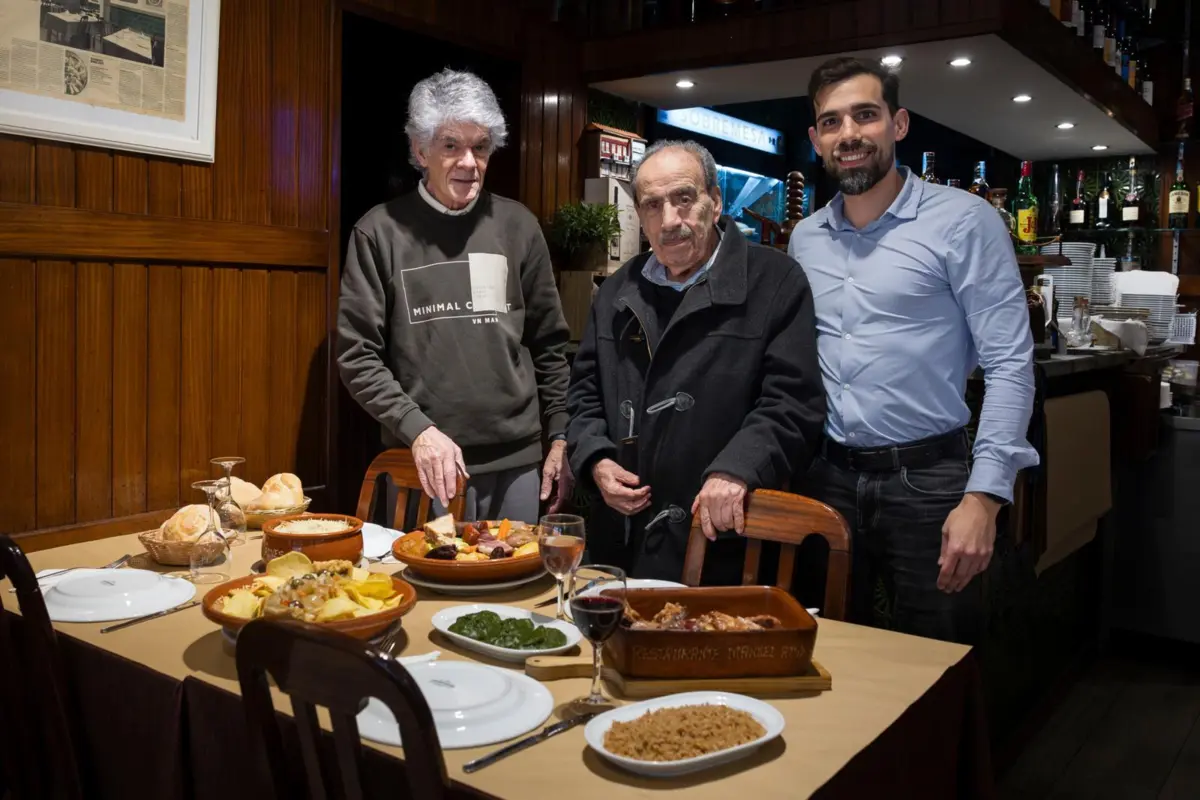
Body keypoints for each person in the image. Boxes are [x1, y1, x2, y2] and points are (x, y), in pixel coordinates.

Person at [788, 56, 1038, 644]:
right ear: (815, 139)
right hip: (827, 482)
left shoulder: (964, 222)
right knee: (829, 657)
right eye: (831, 122)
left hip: (931, 485)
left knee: (937, 666)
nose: (848, 134)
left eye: (865, 115)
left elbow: (1009, 364)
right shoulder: (804, 239)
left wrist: (985, 496)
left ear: (898, 125)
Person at [567, 140, 825, 584]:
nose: (670, 221)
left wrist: (738, 466)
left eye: (684, 199)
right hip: (622, 544)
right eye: (652, 205)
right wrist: (596, 460)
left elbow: (793, 402)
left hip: (727, 540)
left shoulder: (777, 281)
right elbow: (585, 392)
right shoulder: (616, 290)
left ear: (716, 201)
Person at [337, 68, 572, 523]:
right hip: (426, 462)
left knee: (516, 591)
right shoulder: (378, 232)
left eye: (480, 147)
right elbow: (357, 355)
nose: (469, 161)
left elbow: (550, 344)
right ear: (419, 150)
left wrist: (560, 435)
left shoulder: (518, 225)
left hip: (519, 464)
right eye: (451, 145)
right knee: (428, 592)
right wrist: (418, 430)